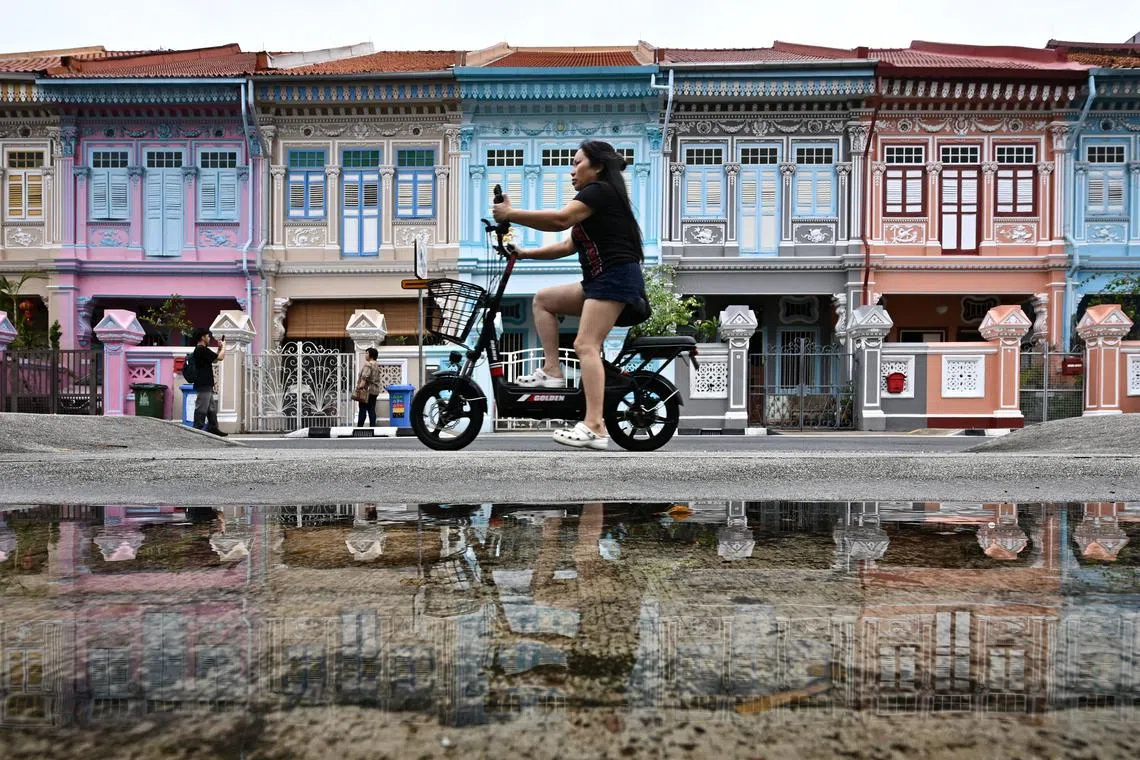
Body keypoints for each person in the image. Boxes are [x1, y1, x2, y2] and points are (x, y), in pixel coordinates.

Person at [492, 139, 647, 451]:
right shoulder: (592, 204)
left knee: (585, 344)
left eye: (577, 163)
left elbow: (559, 220)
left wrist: (510, 213)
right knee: (543, 299)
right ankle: (552, 371)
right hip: (598, 281)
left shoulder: (600, 191)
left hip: (615, 279)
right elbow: (565, 245)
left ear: (598, 166)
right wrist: (524, 253)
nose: (571, 170)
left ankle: (595, 425)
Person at [191, 328, 227, 436]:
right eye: (208, 336)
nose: (209, 338)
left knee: (211, 407)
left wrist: (219, 348)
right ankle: (197, 428)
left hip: (207, 383)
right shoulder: (200, 349)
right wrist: (224, 346)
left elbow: (215, 359)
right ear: (202, 337)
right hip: (203, 383)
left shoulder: (202, 350)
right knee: (201, 407)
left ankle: (213, 428)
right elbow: (220, 358)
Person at [355, 347, 382, 427]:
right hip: (374, 390)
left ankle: (360, 427)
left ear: (371, 355)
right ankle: (373, 426)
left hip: (366, 390)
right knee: (371, 409)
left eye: (367, 353)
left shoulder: (368, 364)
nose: (365, 355)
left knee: (362, 409)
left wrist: (360, 387)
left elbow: (364, 377)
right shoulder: (377, 365)